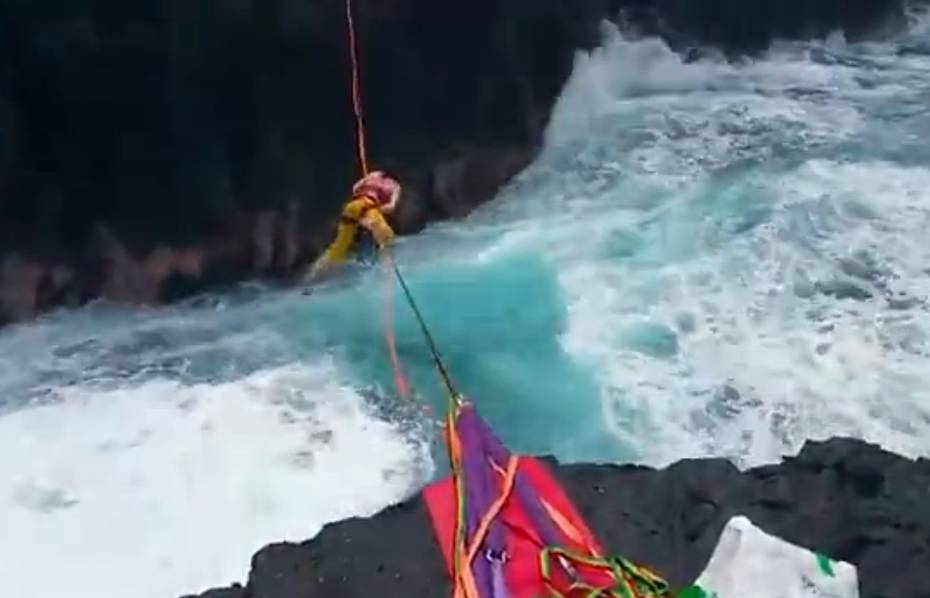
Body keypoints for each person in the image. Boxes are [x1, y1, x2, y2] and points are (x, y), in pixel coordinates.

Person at [304, 170, 401, 282]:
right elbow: (391, 207)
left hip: (352, 207)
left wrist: (366, 180)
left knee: (339, 245)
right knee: (387, 237)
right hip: (368, 207)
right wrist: (378, 209)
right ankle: (387, 273)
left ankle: (313, 274)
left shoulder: (372, 177)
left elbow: (355, 189)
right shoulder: (395, 186)